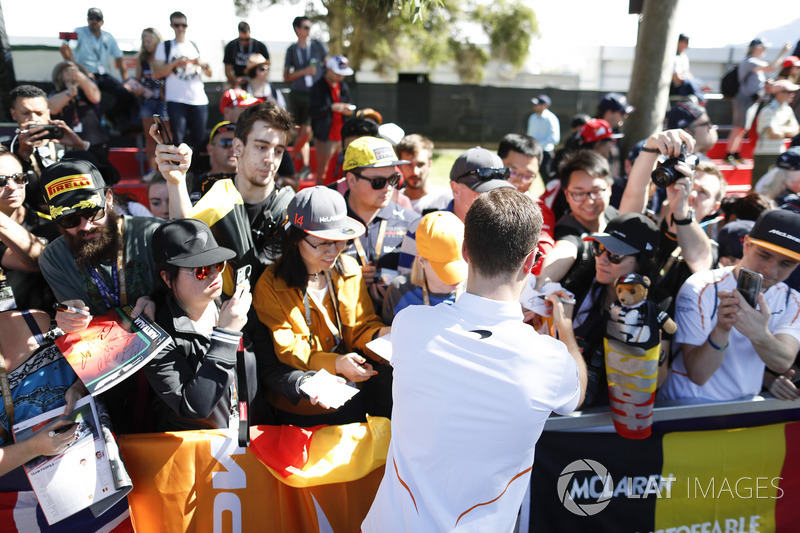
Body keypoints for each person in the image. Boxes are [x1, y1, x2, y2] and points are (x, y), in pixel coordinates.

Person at [362, 187, 586, 532]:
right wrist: (565, 331)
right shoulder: (549, 358)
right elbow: (575, 396)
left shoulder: (411, 325)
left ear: (465, 251)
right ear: (530, 262)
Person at [253, 186, 389, 426]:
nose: (333, 252)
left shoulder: (348, 268)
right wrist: (336, 363)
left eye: (340, 242)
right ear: (295, 238)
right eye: (322, 243)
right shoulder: (270, 285)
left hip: (352, 399)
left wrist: (383, 336)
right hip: (301, 410)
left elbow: (361, 324)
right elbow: (290, 351)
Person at [660, 209, 800, 403]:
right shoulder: (700, 286)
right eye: (764, 255)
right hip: (686, 405)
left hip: (743, 407)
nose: (770, 270)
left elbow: (783, 362)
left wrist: (759, 333)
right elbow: (698, 375)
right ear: (747, 245)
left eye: (786, 263)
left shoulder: (791, 300)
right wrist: (722, 328)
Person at [156, 101, 296, 275]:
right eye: (261, 147)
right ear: (238, 147)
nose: (270, 159)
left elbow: (267, 279)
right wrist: (176, 182)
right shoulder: (210, 187)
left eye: (278, 151)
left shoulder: (289, 208)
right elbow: (185, 240)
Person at [145, 218, 255, 430]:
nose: (214, 274)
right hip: (196, 452)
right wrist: (226, 335)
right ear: (167, 278)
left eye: (218, 264)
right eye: (201, 270)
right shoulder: (156, 335)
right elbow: (194, 407)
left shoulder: (234, 305)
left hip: (245, 442)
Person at [340, 136, 418, 310]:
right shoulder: (329, 223)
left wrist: (397, 295)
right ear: (351, 180)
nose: (388, 188)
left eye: (393, 180)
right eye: (378, 182)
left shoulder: (412, 223)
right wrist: (349, 280)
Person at [537, 149, 616, 298]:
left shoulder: (614, 215)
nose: (589, 201)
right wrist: (542, 282)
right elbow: (565, 251)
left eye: (596, 191)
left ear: (609, 188)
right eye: (578, 193)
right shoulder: (567, 231)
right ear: (566, 195)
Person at [7, 85, 92, 210]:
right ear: (14, 114)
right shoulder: (7, 150)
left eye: (39, 113)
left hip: (74, 213)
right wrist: (23, 155)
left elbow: (110, 176)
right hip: (33, 220)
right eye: (26, 113)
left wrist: (81, 146)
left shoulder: (66, 141)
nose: (34, 119)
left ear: (48, 114)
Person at [0, 147, 60, 313]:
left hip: (49, 330)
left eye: (19, 178)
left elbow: (41, 261)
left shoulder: (52, 224)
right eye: (0, 181)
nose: (12, 187)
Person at [381, 211, 467, 325]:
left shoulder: (479, 291)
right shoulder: (399, 291)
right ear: (421, 261)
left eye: (461, 262)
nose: (457, 278)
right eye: (445, 267)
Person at [59, 7, 137, 130]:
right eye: (91, 18)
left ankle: (109, 118)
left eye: (97, 18)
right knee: (92, 96)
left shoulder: (108, 36)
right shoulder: (79, 32)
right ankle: (95, 123)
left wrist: (126, 81)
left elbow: (120, 58)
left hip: (103, 74)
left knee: (125, 93)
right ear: (87, 19)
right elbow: (65, 49)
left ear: (102, 21)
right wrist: (77, 71)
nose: (94, 21)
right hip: (86, 74)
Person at [725, 38, 793, 166]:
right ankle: (730, 155)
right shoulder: (750, 61)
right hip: (744, 98)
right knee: (739, 128)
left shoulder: (754, 62)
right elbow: (771, 67)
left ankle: (735, 154)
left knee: (743, 129)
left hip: (751, 99)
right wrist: (783, 52)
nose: (765, 50)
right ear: (757, 48)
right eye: (763, 47)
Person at [153, 11, 212, 153]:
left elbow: (210, 73)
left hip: (198, 100)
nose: (180, 28)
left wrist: (202, 64)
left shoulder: (196, 46)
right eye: (177, 25)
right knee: (179, 141)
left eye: (183, 25)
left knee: (200, 141)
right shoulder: (165, 46)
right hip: (176, 99)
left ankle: (198, 173)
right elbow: (157, 73)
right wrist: (176, 63)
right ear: (172, 26)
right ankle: (182, 173)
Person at [284, 16, 328, 178]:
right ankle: (306, 166)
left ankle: (286, 156)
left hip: (314, 94)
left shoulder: (317, 46)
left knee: (308, 132)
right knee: (301, 131)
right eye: (306, 27)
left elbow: (328, 64)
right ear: (297, 29)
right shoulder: (291, 50)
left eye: (310, 27)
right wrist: (305, 71)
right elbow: (286, 76)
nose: (309, 30)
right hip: (297, 94)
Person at [48, 61, 111, 171]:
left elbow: (95, 97)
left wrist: (79, 76)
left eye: (74, 69)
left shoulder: (86, 92)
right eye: (66, 70)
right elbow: (52, 108)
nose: (71, 72)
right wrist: (69, 93)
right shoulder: (55, 93)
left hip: (94, 143)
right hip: (67, 144)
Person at [310, 55, 356, 184]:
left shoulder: (343, 87)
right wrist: (331, 108)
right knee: (322, 171)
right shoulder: (318, 87)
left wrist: (348, 111)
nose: (340, 77)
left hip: (342, 136)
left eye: (342, 74)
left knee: (346, 169)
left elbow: (348, 105)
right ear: (329, 69)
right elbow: (313, 111)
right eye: (338, 74)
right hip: (326, 137)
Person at [133, 27, 167, 172]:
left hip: (164, 100)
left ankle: (167, 167)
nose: (147, 44)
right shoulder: (141, 59)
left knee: (166, 135)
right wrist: (138, 89)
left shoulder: (165, 56)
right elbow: (137, 79)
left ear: (156, 41)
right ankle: (152, 171)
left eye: (149, 40)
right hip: (148, 100)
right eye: (144, 41)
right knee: (150, 137)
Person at [753, 79, 800, 184]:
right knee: (758, 186)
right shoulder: (768, 110)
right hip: (765, 155)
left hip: (779, 152)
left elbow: (796, 130)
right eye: (789, 92)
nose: (792, 95)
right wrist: (787, 130)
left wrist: (781, 129)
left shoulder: (787, 110)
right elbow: (774, 134)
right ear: (779, 93)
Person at [396, 134, 451, 215]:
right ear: (399, 166)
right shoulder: (392, 202)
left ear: (430, 165)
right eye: (409, 165)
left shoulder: (447, 200)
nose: (415, 172)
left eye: (420, 164)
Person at [189, 121, 238, 203]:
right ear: (210, 149)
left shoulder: (253, 182)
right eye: (226, 142)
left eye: (237, 144)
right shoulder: (190, 183)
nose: (233, 149)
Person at [223, 21, 269, 88]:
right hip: (236, 79)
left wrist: (255, 79)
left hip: (256, 79)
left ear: (250, 32)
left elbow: (266, 67)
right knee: (227, 90)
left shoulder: (260, 46)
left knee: (266, 90)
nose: (244, 42)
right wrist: (236, 80)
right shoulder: (231, 46)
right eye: (242, 39)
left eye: (247, 39)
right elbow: (228, 70)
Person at [526, 94, 560, 179]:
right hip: (532, 152)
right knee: (528, 176)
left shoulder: (551, 118)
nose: (534, 106)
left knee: (547, 178)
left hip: (545, 153)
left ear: (544, 105)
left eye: (537, 104)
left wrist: (538, 144)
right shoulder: (532, 118)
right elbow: (529, 135)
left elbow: (555, 139)